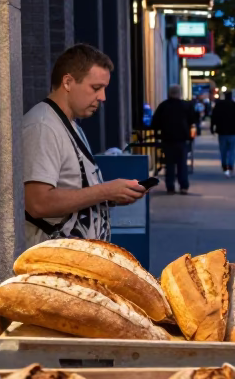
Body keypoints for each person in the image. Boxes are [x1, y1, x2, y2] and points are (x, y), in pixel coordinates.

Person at [22, 44, 144, 247]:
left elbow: (74, 191)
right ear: (68, 82)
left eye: (104, 88)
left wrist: (115, 194)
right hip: (56, 265)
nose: (103, 97)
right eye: (96, 88)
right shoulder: (42, 127)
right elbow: (38, 203)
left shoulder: (69, 124)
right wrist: (106, 191)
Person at [152, 85, 198, 194]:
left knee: (170, 164)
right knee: (182, 164)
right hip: (182, 139)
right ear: (179, 93)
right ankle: (183, 186)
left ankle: (170, 186)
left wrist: (159, 134)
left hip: (167, 139)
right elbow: (193, 120)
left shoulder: (163, 106)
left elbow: (155, 123)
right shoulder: (186, 106)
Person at [211, 90, 235, 177]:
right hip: (233, 131)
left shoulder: (219, 105)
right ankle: (231, 165)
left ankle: (224, 165)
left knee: (223, 150)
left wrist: (212, 128)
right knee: (232, 150)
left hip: (222, 131)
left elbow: (213, 117)